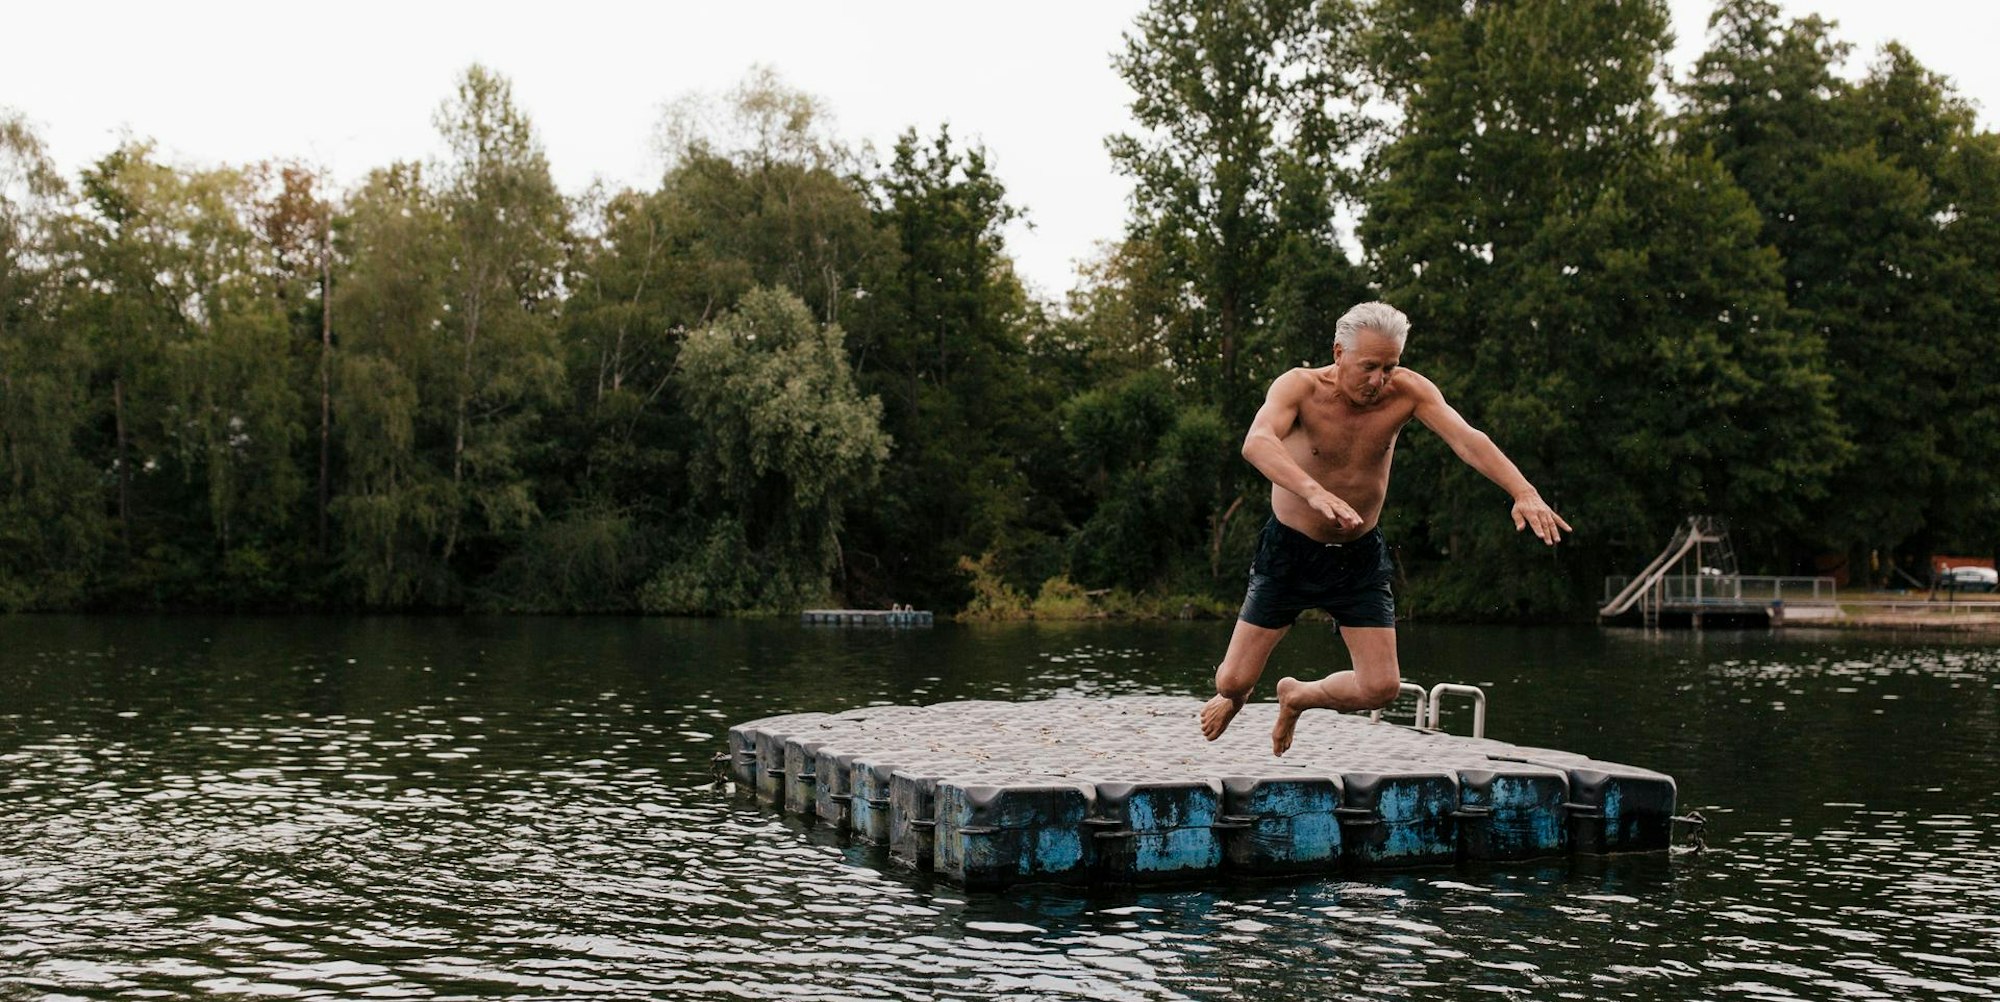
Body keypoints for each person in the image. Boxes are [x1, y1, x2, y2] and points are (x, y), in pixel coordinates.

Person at [1199, 301, 1571, 755]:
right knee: (1232, 680)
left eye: (1389, 367)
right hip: (1289, 552)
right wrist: (1313, 491)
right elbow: (1256, 442)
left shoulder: (1408, 392)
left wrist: (1524, 491)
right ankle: (1235, 697)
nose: (1378, 381)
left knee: (1381, 688)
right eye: (1369, 366)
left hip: (1357, 557)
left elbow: (1467, 438)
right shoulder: (1299, 388)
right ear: (1339, 353)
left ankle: (1297, 696)